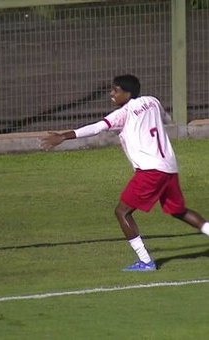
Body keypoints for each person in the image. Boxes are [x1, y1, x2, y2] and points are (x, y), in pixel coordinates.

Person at [41, 74, 209, 271]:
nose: (111, 94)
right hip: (169, 167)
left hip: (150, 170)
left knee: (122, 211)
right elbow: (165, 118)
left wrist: (63, 136)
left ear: (128, 94)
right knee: (178, 210)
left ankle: (145, 261)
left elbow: (96, 128)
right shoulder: (152, 101)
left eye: (116, 90)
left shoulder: (123, 113)